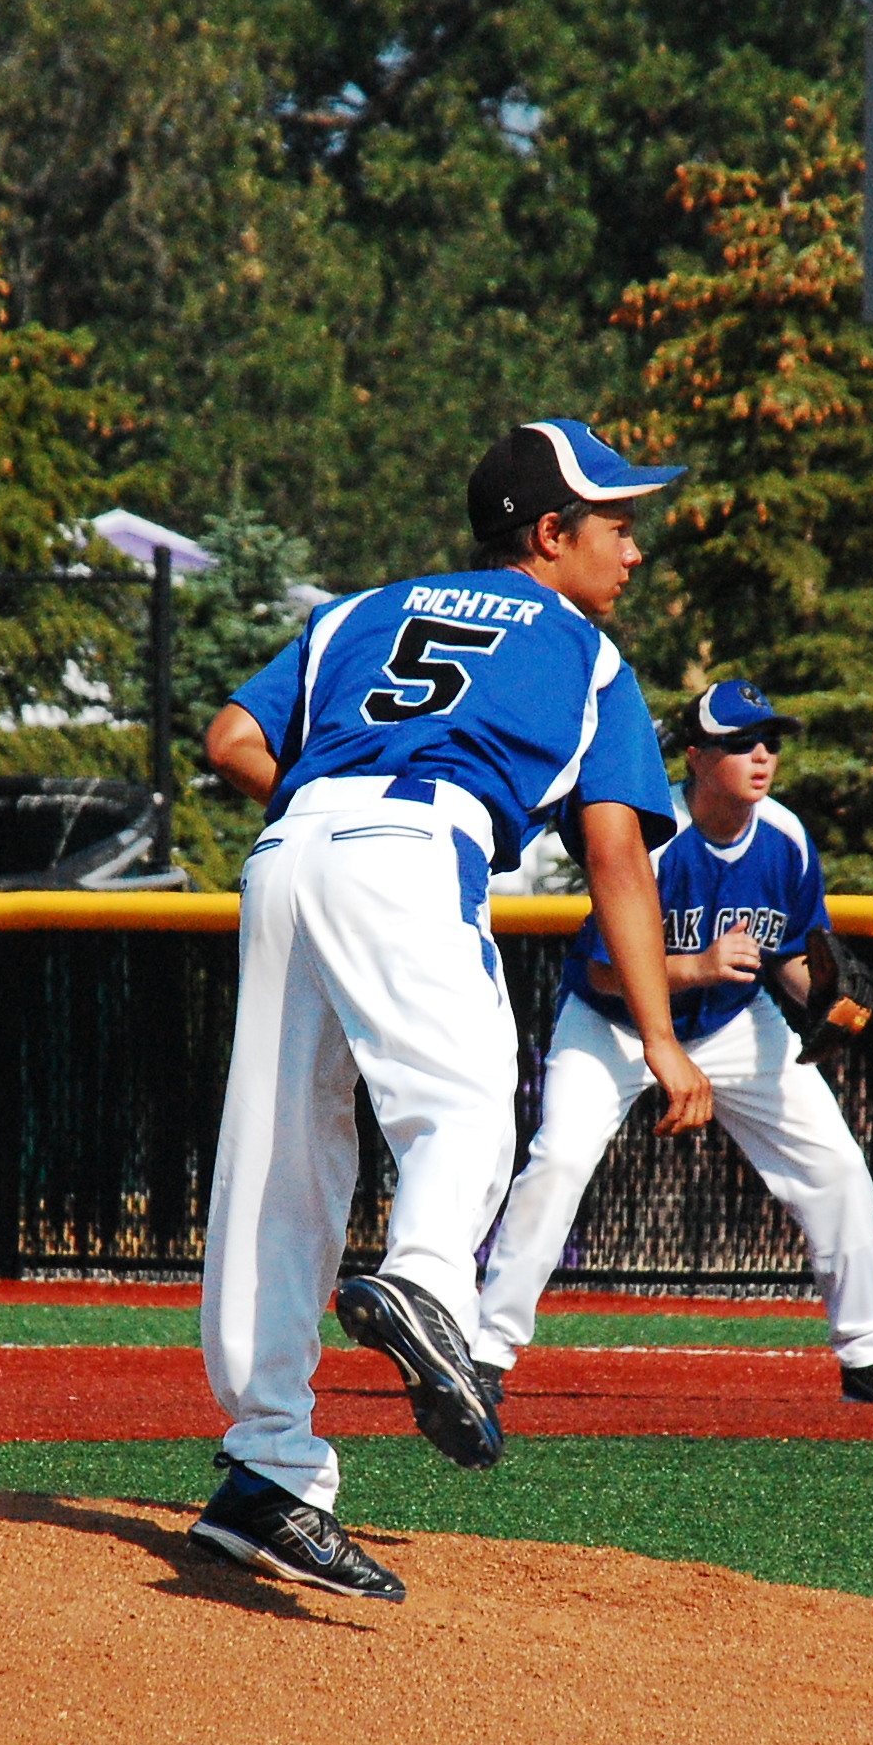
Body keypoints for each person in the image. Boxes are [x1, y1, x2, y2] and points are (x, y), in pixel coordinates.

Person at [186, 419, 717, 1604]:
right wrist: (661, 1036)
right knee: (467, 1103)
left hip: (288, 848)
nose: (632, 550)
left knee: (277, 1160)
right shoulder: (586, 655)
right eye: (616, 523)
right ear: (550, 532)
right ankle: (427, 1283)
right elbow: (616, 858)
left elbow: (229, 739)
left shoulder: (355, 612)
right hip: (413, 842)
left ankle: (266, 1469)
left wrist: (326, 807)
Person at [470, 679, 873, 1407]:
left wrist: (826, 998)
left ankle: (869, 1354)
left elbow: (787, 954)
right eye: (740, 742)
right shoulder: (653, 836)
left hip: (731, 1023)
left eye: (770, 741)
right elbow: (599, 968)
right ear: (694, 756)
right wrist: (699, 966)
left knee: (838, 1165)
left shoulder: (784, 836)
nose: (761, 755)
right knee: (559, 1160)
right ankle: (487, 1352)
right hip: (611, 1023)